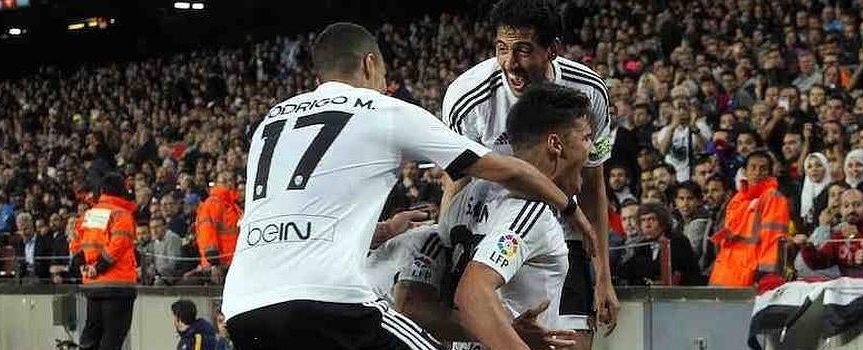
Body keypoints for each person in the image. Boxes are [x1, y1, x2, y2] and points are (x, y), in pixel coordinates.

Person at [222, 22, 595, 350]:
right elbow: (506, 169)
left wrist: (384, 229)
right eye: (384, 74)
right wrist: (570, 208)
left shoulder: (271, 122)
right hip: (331, 301)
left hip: (244, 307)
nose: (385, 84)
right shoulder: (382, 110)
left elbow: (296, 221)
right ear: (370, 64)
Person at [440, 0, 620, 334]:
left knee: (568, 341)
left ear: (552, 49)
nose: (510, 63)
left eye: (523, 50)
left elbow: (594, 183)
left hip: (567, 236)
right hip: (496, 235)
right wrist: (448, 255)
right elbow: (456, 183)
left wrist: (603, 277)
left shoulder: (589, 91)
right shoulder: (467, 97)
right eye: (501, 48)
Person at [396, 84, 592, 350]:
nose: (591, 148)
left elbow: (413, 305)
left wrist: (494, 329)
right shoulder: (530, 212)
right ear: (555, 144)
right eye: (586, 138)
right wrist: (510, 337)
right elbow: (472, 294)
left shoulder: (465, 197)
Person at [69, 173, 138, 350]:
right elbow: (118, 244)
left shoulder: (89, 215)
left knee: (92, 335)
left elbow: (76, 245)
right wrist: (99, 266)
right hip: (118, 284)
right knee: (113, 338)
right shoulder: (121, 214)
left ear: (101, 191)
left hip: (93, 286)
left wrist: (84, 267)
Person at [710, 152, 790, 287]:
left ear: (770, 173)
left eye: (763, 168)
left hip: (749, 274)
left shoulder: (773, 198)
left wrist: (767, 273)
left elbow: (773, 238)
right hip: (724, 270)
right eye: (753, 167)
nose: (757, 172)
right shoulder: (737, 198)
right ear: (745, 172)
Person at [797, 189, 863, 277]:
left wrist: (856, 237)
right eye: (846, 206)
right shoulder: (839, 234)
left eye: (857, 205)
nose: (851, 210)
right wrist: (806, 247)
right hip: (847, 287)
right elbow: (819, 262)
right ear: (840, 211)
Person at [618, 203, 704, 286]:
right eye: (643, 220)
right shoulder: (643, 245)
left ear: (663, 222)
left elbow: (661, 269)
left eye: (651, 219)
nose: (647, 225)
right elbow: (626, 270)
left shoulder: (677, 241)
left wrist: (640, 268)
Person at [194, 171, 241, 284]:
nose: (228, 184)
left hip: (232, 264)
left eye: (231, 180)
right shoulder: (213, 203)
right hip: (219, 266)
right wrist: (214, 263)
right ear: (216, 184)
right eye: (224, 181)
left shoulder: (234, 207)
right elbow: (207, 234)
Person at [799, 153, 833, 227]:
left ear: (826, 168)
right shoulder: (801, 191)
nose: (814, 169)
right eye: (809, 167)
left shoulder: (832, 191)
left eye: (819, 165)